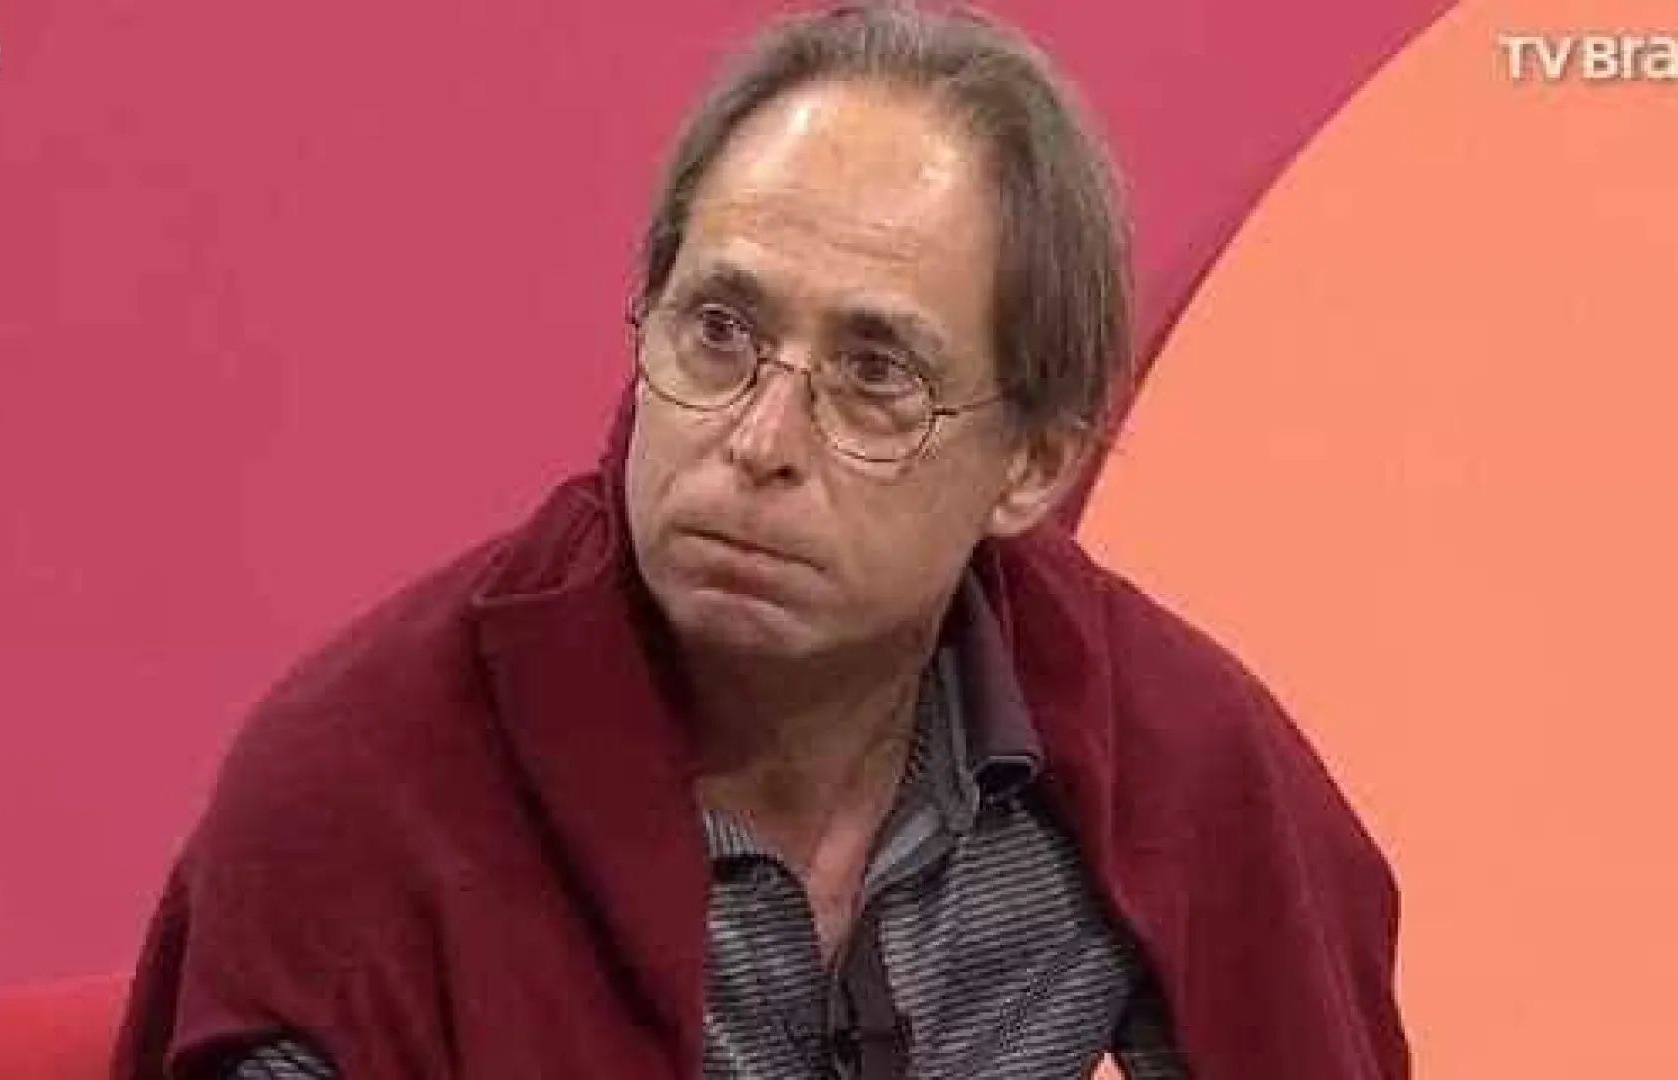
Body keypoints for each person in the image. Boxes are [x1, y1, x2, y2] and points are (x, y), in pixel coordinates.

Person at [113, 3, 1408, 1078]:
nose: (760, 439)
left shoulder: (1158, 755)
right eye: (720, 332)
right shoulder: (360, 793)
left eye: (875, 374)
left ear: (1034, 464)